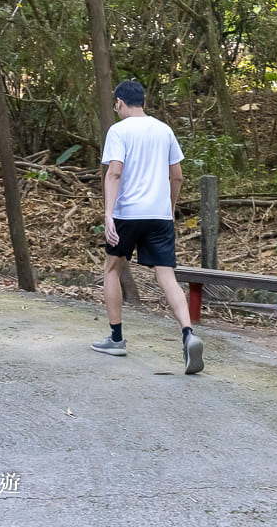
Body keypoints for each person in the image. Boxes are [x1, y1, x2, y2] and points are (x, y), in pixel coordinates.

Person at [91, 80, 204, 374]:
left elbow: (114, 173)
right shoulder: (164, 130)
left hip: (128, 214)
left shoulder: (119, 131)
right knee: (167, 276)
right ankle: (188, 333)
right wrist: (169, 207)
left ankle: (116, 339)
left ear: (119, 103)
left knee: (112, 269)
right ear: (142, 101)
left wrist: (108, 214)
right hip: (160, 215)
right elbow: (177, 176)